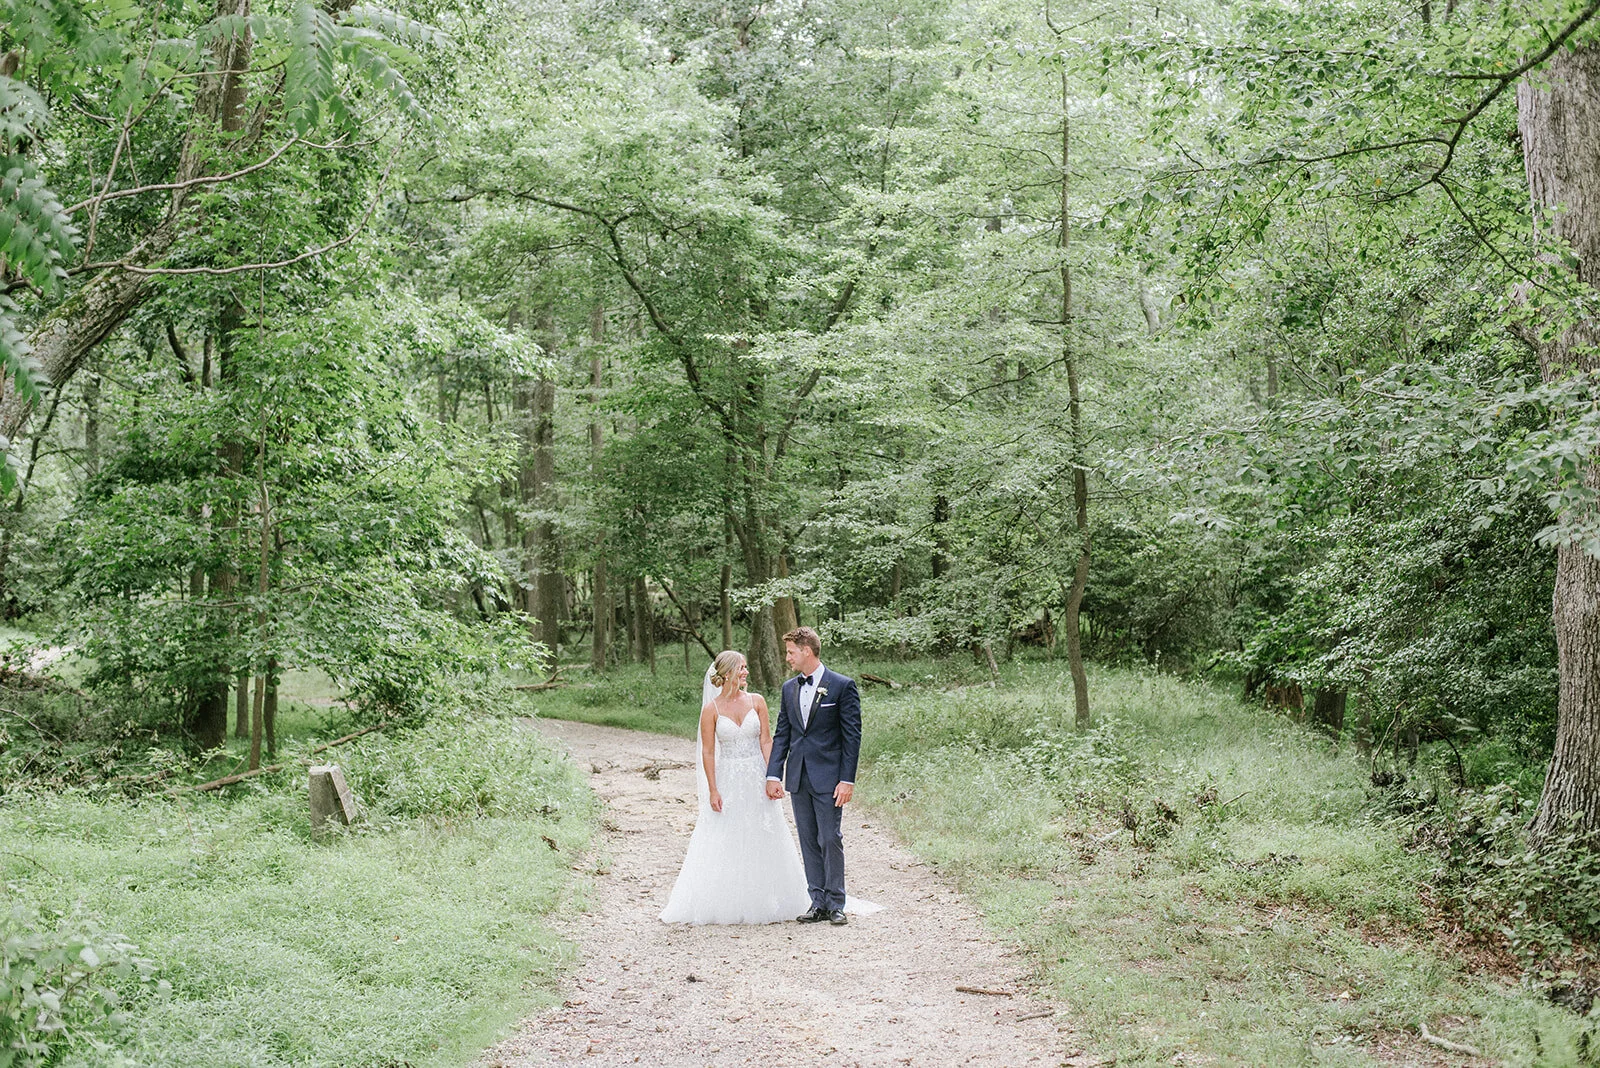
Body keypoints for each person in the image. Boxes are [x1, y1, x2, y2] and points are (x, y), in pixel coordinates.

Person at [660, 650, 811, 924]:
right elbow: (708, 752)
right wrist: (713, 789)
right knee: (727, 834)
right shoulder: (712, 710)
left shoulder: (757, 701)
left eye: (745, 667)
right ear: (727, 672)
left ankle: (771, 898)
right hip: (729, 777)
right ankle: (728, 900)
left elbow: (767, 740)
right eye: (741, 668)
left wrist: (773, 776)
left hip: (757, 775)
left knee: (765, 831)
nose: (746, 672)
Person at [765, 626, 861, 926]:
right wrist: (773, 774)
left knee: (829, 837)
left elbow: (852, 737)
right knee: (807, 839)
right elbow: (783, 734)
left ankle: (836, 903)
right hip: (799, 777)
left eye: (791, 652)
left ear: (807, 650)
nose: (787, 658)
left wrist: (847, 780)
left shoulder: (842, 686)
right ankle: (817, 902)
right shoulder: (788, 688)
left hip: (830, 778)